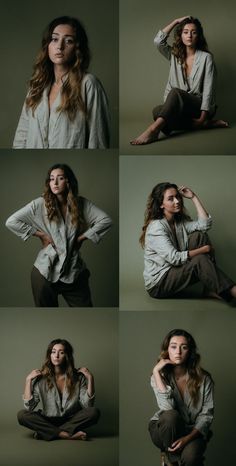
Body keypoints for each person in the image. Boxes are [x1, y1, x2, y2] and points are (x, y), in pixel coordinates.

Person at [5, 163, 112, 307]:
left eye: (60, 178)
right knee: (47, 319)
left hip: (73, 272)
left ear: (68, 182)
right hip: (45, 272)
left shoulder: (81, 204)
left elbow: (106, 220)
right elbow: (11, 221)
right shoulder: (39, 204)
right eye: (51, 178)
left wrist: (81, 237)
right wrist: (40, 235)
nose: (54, 182)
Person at [13, 16, 110, 149]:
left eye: (68, 41)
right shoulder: (36, 86)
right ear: (48, 45)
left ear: (77, 47)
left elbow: (98, 141)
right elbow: (21, 136)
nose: (60, 46)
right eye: (54, 39)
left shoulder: (89, 84)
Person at [131, 16, 228, 145]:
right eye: (185, 32)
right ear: (180, 35)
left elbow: (208, 90)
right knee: (157, 112)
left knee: (175, 94)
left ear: (198, 36)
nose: (189, 36)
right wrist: (176, 22)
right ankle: (204, 125)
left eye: (194, 32)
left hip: (199, 106)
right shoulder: (174, 56)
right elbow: (157, 42)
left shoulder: (206, 58)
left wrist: (202, 117)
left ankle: (153, 130)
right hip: (182, 106)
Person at [140, 182, 236, 302]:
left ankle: (209, 289)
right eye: (171, 199)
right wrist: (204, 250)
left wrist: (193, 197)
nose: (177, 201)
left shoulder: (178, 222)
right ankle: (233, 291)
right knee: (199, 259)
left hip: (175, 271)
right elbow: (174, 258)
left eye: (177, 197)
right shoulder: (156, 227)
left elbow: (204, 225)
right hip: (159, 284)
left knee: (199, 236)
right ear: (161, 204)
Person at [149, 329, 214, 466]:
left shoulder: (204, 379)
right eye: (173, 347)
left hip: (192, 431)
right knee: (170, 416)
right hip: (164, 429)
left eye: (183, 347)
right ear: (167, 350)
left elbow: (206, 415)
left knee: (190, 459)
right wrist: (156, 371)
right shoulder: (158, 376)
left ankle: (171, 457)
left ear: (190, 351)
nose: (178, 352)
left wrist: (187, 439)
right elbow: (167, 409)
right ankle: (172, 461)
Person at [17, 339, 100, 441]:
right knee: (22, 415)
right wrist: (28, 380)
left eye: (61, 352)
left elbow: (88, 405)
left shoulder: (78, 377)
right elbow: (29, 407)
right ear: (49, 355)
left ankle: (47, 432)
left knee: (94, 412)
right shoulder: (41, 379)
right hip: (48, 420)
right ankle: (66, 435)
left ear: (67, 356)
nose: (56, 356)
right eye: (53, 352)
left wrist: (90, 378)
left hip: (71, 420)